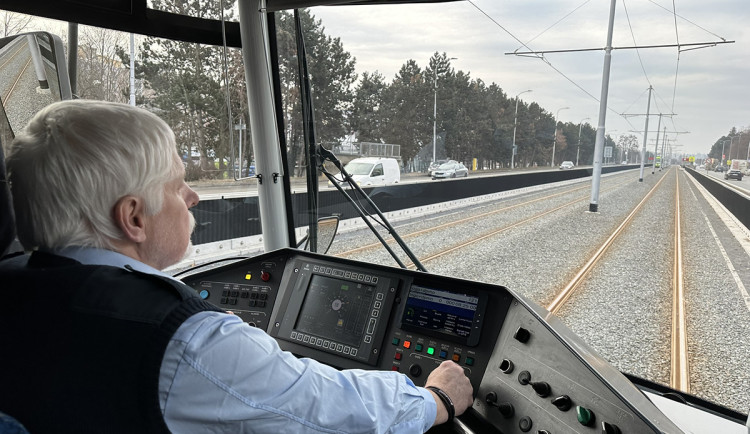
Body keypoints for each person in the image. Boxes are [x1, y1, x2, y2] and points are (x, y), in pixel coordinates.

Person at [0, 100, 473, 433]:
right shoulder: (188, 342)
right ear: (134, 217)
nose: (193, 197)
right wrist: (436, 400)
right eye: (178, 183)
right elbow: (327, 411)